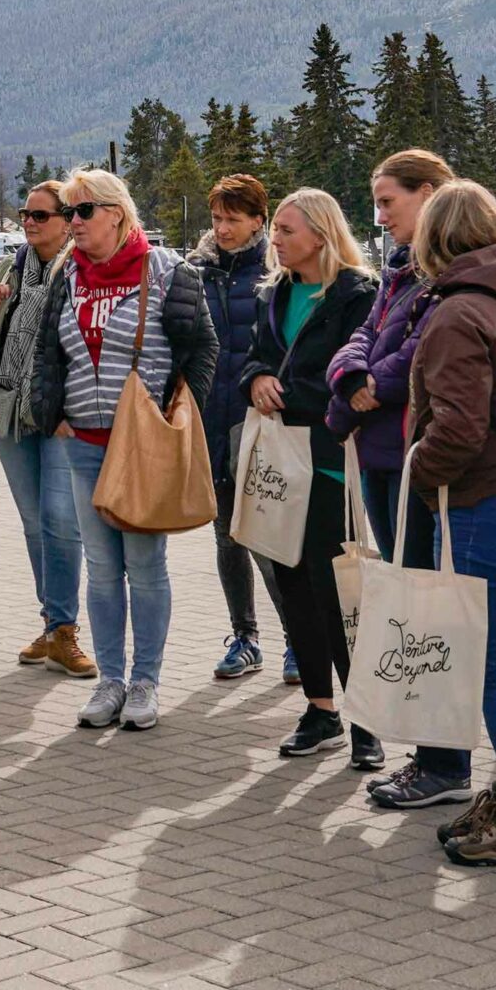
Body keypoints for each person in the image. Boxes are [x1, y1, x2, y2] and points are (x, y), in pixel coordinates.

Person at [27, 169, 216, 732]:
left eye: (82, 211)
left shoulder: (165, 271)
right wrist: (52, 412)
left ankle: (145, 682)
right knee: (102, 568)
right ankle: (110, 680)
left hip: (141, 447)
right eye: (69, 211)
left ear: (116, 212)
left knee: (144, 565)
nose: (73, 222)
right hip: (83, 442)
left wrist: (175, 415)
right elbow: (47, 350)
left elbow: (202, 348)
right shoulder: (70, 274)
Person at [403, 182, 496, 869]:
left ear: (436, 237)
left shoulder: (459, 312)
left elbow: (459, 428)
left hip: (480, 500)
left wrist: (417, 467)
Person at [332, 150, 475, 813]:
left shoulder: (447, 275)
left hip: (422, 457)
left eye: (390, 200)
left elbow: (420, 354)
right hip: (383, 455)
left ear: (432, 195)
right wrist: (355, 377)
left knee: (426, 607)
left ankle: (446, 761)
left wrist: (373, 384)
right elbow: (360, 339)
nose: (381, 213)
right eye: (377, 201)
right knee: (402, 597)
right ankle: (427, 752)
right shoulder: (394, 273)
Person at [240, 188, 381, 769]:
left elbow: (349, 373)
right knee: (292, 584)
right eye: (275, 228)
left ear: (321, 234)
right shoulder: (275, 293)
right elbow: (254, 356)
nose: (274, 239)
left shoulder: (357, 293)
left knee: (338, 590)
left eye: (286, 229)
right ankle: (320, 709)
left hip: (329, 458)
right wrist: (255, 381)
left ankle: (365, 720)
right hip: (281, 460)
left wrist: (289, 392)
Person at [0, 179, 96, 678]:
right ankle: (52, 624)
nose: (29, 223)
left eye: (41, 216)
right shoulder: (13, 264)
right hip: (7, 409)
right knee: (33, 521)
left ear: (68, 221)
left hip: (58, 416)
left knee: (62, 520)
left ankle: (65, 630)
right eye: (26, 214)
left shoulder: (80, 268)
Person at [189, 173, 288, 685]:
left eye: (233, 218)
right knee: (228, 537)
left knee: (270, 540)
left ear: (258, 220)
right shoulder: (196, 272)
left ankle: (298, 639)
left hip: (261, 427)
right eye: (217, 218)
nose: (222, 228)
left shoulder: (277, 272)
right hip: (210, 422)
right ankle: (245, 637)